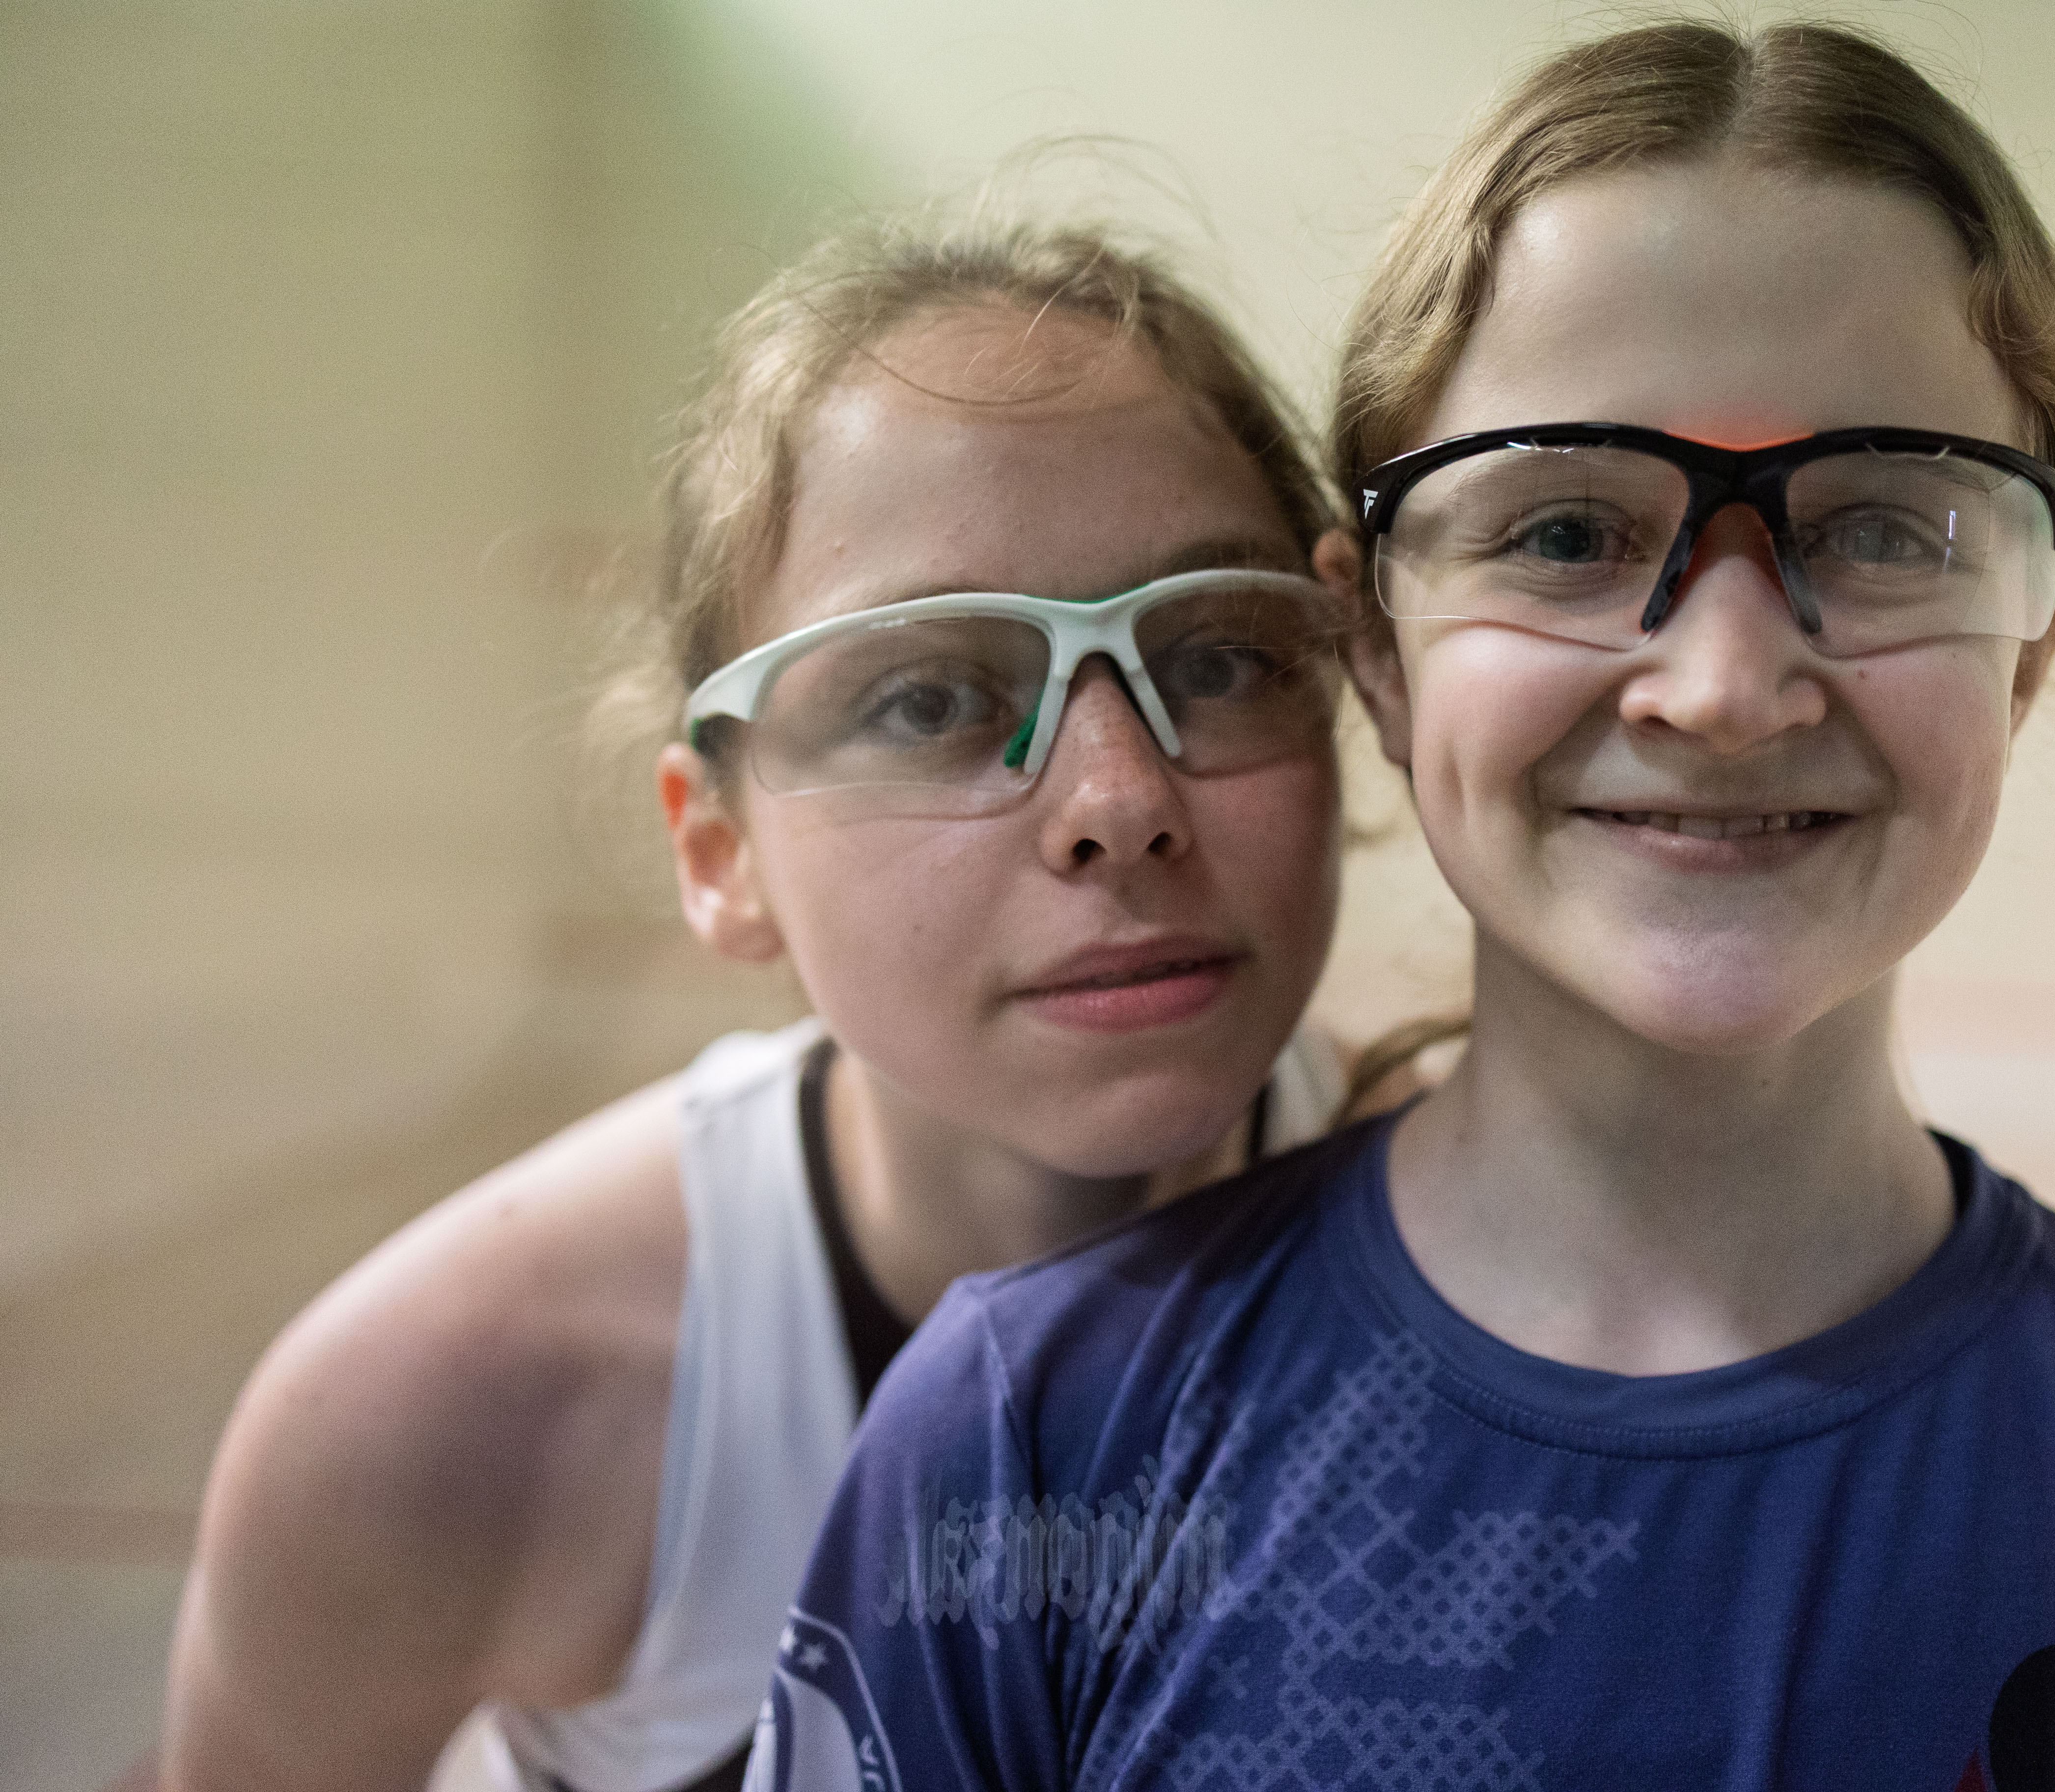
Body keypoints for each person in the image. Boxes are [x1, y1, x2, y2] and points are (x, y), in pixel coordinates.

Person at [752, 22, 2055, 1792]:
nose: (1725, 686)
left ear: (2028, 644)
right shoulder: (1032, 1451)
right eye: (1567, 535)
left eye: (1881, 532)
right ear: (1375, 643)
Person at [159, 214, 1372, 1792]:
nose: (1119, 801)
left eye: (1214, 659)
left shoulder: (1526, 1277)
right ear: (719, 852)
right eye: (930, 699)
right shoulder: (448, 1409)